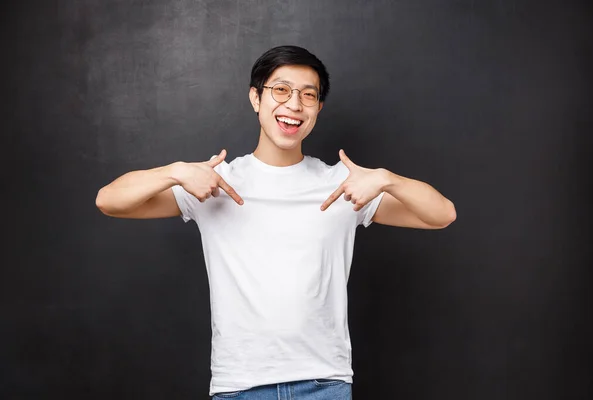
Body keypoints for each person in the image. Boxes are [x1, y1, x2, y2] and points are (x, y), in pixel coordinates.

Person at [96, 45, 456, 400]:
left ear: (318, 108)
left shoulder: (343, 186)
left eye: (308, 95)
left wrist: (386, 178)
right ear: (256, 98)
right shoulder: (215, 182)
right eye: (281, 90)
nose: (294, 105)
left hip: (324, 384)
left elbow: (442, 215)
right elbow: (109, 201)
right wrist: (173, 173)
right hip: (238, 386)